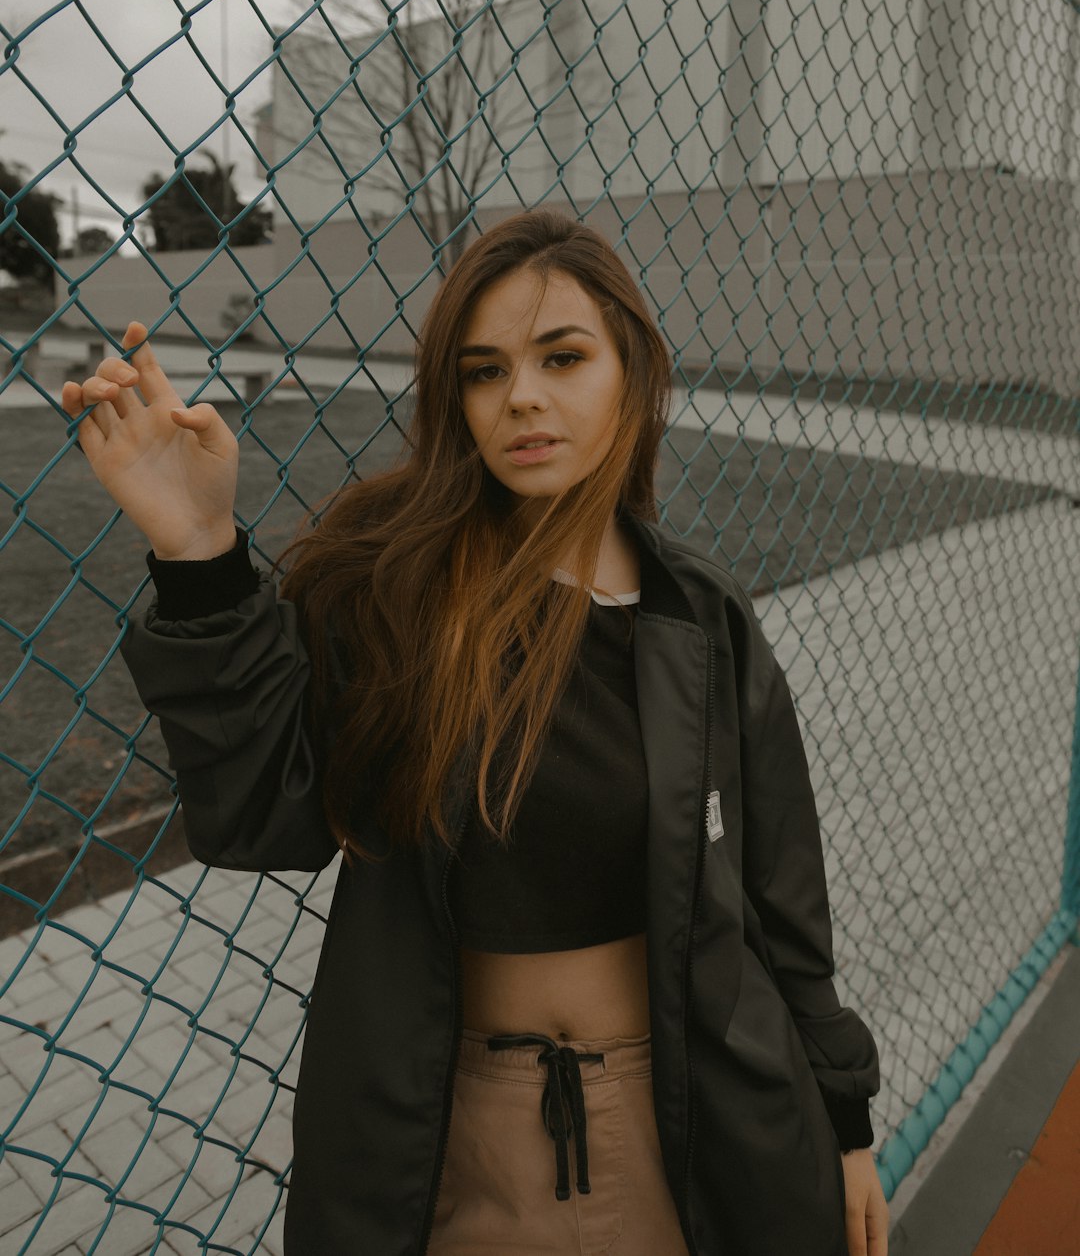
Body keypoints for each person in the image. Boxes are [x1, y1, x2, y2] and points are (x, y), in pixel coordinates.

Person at [61, 206, 889, 1256]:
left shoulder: (700, 613)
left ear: (630, 369)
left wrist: (845, 1118)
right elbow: (263, 816)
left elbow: (783, 890)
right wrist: (198, 550)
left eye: (563, 356)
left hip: (702, 1105)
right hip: (463, 1127)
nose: (523, 398)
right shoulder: (392, 586)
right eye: (485, 370)